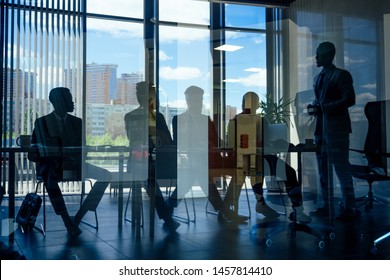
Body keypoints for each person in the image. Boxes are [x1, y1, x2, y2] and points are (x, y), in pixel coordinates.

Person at [28, 87, 112, 238]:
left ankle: (79, 216)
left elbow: (82, 149)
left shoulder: (77, 122)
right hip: (51, 167)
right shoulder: (42, 123)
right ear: (57, 102)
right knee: (50, 175)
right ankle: (67, 220)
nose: (72, 102)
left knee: (106, 175)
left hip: (74, 165)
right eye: (69, 99)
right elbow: (33, 153)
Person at [228, 91, 311, 223]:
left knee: (289, 172)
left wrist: (276, 144)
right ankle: (266, 204)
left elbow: (265, 143)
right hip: (248, 160)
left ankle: (293, 209)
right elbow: (233, 146)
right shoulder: (238, 121)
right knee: (265, 170)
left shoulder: (259, 120)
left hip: (262, 158)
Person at [172, 85, 247, 224]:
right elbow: (179, 142)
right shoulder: (178, 119)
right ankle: (225, 211)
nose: (199, 103)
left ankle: (224, 208)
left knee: (239, 170)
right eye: (196, 100)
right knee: (201, 173)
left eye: (200, 100)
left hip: (212, 158)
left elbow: (218, 140)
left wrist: (228, 145)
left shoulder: (205, 119)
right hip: (194, 159)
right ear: (188, 101)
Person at [308, 41, 357, 220]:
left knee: (341, 168)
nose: (316, 57)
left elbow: (350, 99)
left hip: (337, 130)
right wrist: (315, 107)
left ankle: (349, 206)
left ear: (328, 55)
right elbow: (320, 101)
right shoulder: (317, 78)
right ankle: (327, 205)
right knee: (323, 169)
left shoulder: (341, 75)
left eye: (318, 54)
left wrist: (326, 107)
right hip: (321, 129)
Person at [124, 81, 180, 231]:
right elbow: (134, 142)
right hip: (140, 162)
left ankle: (169, 208)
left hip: (159, 162)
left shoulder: (158, 117)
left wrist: (156, 134)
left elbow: (168, 142)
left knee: (186, 177)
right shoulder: (131, 117)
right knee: (149, 179)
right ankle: (167, 215)